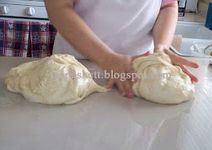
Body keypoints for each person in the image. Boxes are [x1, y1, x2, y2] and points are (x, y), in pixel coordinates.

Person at [44, 0, 199, 98]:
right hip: (76, 68)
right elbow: (58, 8)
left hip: (138, 74)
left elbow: (168, 5)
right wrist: (106, 58)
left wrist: (162, 46)